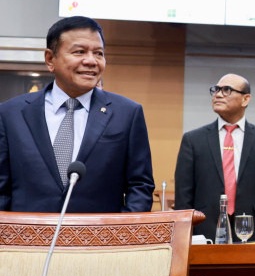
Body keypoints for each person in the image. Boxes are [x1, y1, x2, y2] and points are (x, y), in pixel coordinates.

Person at [0, 16, 155, 212]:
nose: (91, 61)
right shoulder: (10, 114)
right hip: (28, 239)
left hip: (101, 238)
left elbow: (140, 187)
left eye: (98, 53)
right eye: (79, 52)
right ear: (50, 59)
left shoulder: (127, 114)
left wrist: (120, 236)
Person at [174, 73, 255, 242]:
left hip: (254, 233)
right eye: (216, 90)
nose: (218, 94)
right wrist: (185, 238)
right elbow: (183, 198)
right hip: (204, 232)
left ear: (245, 99)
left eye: (226, 90)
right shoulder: (193, 140)